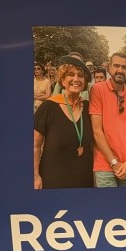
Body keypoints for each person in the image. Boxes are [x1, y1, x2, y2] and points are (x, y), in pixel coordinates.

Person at [34, 56, 94, 188]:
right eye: (71, 75)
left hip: (84, 179)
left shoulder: (89, 108)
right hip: (54, 179)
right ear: (62, 80)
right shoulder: (49, 107)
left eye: (80, 76)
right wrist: (35, 176)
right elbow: (35, 145)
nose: (76, 79)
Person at [90, 52, 126, 187]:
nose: (120, 70)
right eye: (116, 66)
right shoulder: (97, 90)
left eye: (124, 67)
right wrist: (114, 162)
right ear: (109, 68)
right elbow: (97, 131)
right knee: (109, 202)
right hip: (105, 164)